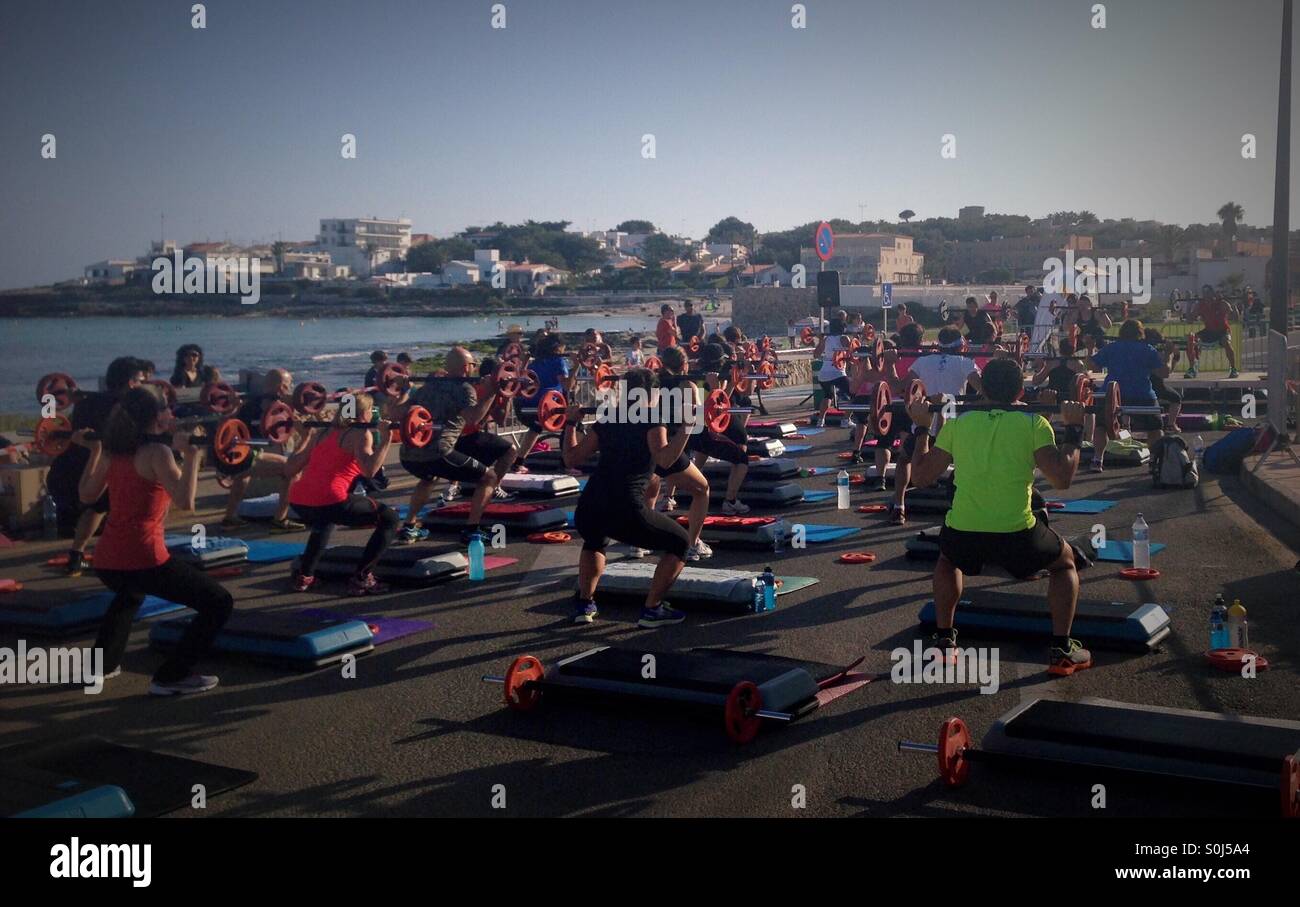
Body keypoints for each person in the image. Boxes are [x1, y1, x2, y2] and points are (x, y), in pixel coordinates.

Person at [905, 357, 1091, 676]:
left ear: (982, 390)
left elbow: (920, 478)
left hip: (963, 535)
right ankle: (1062, 649)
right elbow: (1061, 478)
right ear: (1020, 390)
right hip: (1018, 537)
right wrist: (1073, 429)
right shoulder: (1034, 424)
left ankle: (945, 641)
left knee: (948, 560)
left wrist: (922, 426)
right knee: (1064, 563)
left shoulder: (959, 424)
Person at [77, 387, 233, 695]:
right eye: (166, 410)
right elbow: (186, 501)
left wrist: (94, 452)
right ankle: (171, 677)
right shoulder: (156, 453)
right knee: (218, 602)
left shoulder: (112, 451)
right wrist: (191, 456)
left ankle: (99, 667)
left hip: (107, 560)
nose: (170, 415)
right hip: (143, 557)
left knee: (129, 595)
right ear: (155, 416)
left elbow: (85, 495)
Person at [565, 368, 692, 626]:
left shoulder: (609, 417)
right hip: (625, 507)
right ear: (653, 393)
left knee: (594, 540)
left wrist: (569, 423)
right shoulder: (652, 418)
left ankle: (585, 605)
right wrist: (687, 428)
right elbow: (665, 460)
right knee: (680, 543)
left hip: (590, 505)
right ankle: (652, 609)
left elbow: (571, 458)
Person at [395, 347, 516, 544]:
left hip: (409, 454)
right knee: (489, 477)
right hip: (440, 452)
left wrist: (402, 390)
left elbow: (395, 414)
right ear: (466, 367)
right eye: (472, 365)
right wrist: (492, 391)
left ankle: (409, 527)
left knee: (428, 477)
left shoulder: (428, 386)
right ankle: (471, 529)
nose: (474, 369)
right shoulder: (465, 389)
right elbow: (473, 419)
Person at [286, 392, 400, 594]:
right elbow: (369, 471)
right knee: (389, 518)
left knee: (324, 520)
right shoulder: (360, 433)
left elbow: (290, 469)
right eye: (370, 410)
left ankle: (305, 577)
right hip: (331, 499)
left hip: (298, 501)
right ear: (365, 412)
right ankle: (362, 578)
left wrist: (304, 437)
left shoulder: (321, 433)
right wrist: (386, 439)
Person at [46, 356, 146, 575]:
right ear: (130, 382)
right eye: (140, 381)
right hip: (93, 470)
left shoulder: (87, 401)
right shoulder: (126, 406)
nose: (142, 385)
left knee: (99, 508)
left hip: (66, 471)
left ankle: (76, 556)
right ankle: (122, 555)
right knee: (114, 506)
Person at [896, 327, 983, 525]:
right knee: (963, 467)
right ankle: (968, 510)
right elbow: (985, 391)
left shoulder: (923, 361)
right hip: (952, 428)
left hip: (923, 422)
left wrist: (889, 365)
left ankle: (898, 506)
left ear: (938, 344)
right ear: (961, 345)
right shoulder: (965, 362)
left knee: (904, 460)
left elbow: (902, 388)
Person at [214, 368, 307, 532]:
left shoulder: (249, 405)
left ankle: (229, 518)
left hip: (238, 455)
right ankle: (280, 519)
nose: (290, 388)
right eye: (288, 385)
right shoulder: (278, 409)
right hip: (246, 455)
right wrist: (306, 435)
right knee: (291, 470)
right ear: (281, 388)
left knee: (243, 475)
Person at [647, 347, 712, 560]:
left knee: (650, 491)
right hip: (671, 447)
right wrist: (713, 387)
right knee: (702, 489)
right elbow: (700, 419)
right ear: (684, 365)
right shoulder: (688, 385)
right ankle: (692, 544)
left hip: (648, 445)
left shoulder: (651, 384)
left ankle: (638, 544)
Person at [1087, 319, 1169, 472]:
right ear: (1140, 333)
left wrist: (1090, 348)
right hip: (1141, 395)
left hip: (1112, 395)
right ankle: (1154, 461)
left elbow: (1092, 366)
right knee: (1155, 428)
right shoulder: (1148, 349)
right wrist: (1169, 355)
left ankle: (1098, 459)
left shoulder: (1112, 348)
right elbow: (1164, 373)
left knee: (1101, 426)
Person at [691, 342, 752, 515]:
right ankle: (730, 501)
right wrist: (715, 386)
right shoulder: (702, 382)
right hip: (706, 427)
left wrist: (732, 382)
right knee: (742, 460)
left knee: (739, 438)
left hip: (701, 428)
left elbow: (723, 400)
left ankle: (687, 486)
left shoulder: (694, 378)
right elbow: (714, 407)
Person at [512, 333, 575, 471]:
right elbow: (567, 386)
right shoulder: (558, 362)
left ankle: (518, 463)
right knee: (572, 423)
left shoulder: (535, 363)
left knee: (535, 428)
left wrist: (524, 362)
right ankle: (567, 464)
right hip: (545, 407)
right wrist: (576, 366)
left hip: (524, 407)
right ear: (558, 348)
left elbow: (520, 377)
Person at [1187, 286, 1240, 378]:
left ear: (1213, 294)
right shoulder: (1200, 305)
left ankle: (1233, 368)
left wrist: (1233, 305)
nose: (1207, 297)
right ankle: (1192, 369)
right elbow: (1189, 320)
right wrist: (1189, 305)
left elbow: (1235, 318)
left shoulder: (1222, 304)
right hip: (1209, 331)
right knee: (1192, 339)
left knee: (1226, 341)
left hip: (1223, 331)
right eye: (1205, 294)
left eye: (1209, 294)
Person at [812, 311, 851, 426]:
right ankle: (845, 420)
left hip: (824, 374)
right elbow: (851, 353)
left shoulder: (825, 340)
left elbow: (816, 355)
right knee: (854, 396)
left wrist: (820, 340)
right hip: (837, 372)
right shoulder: (844, 338)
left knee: (827, 396)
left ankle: (820, 420)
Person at [1144, 328, 1184, 431]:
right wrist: (1169, 355)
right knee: (1176, 398)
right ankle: (1171, 425)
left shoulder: (1140, 350)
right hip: (1153, 386)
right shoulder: (1156, 354)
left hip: (1144, 385)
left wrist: (1175, 357)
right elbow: (1166, 372)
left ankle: (1126, 425)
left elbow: (1168, 370)